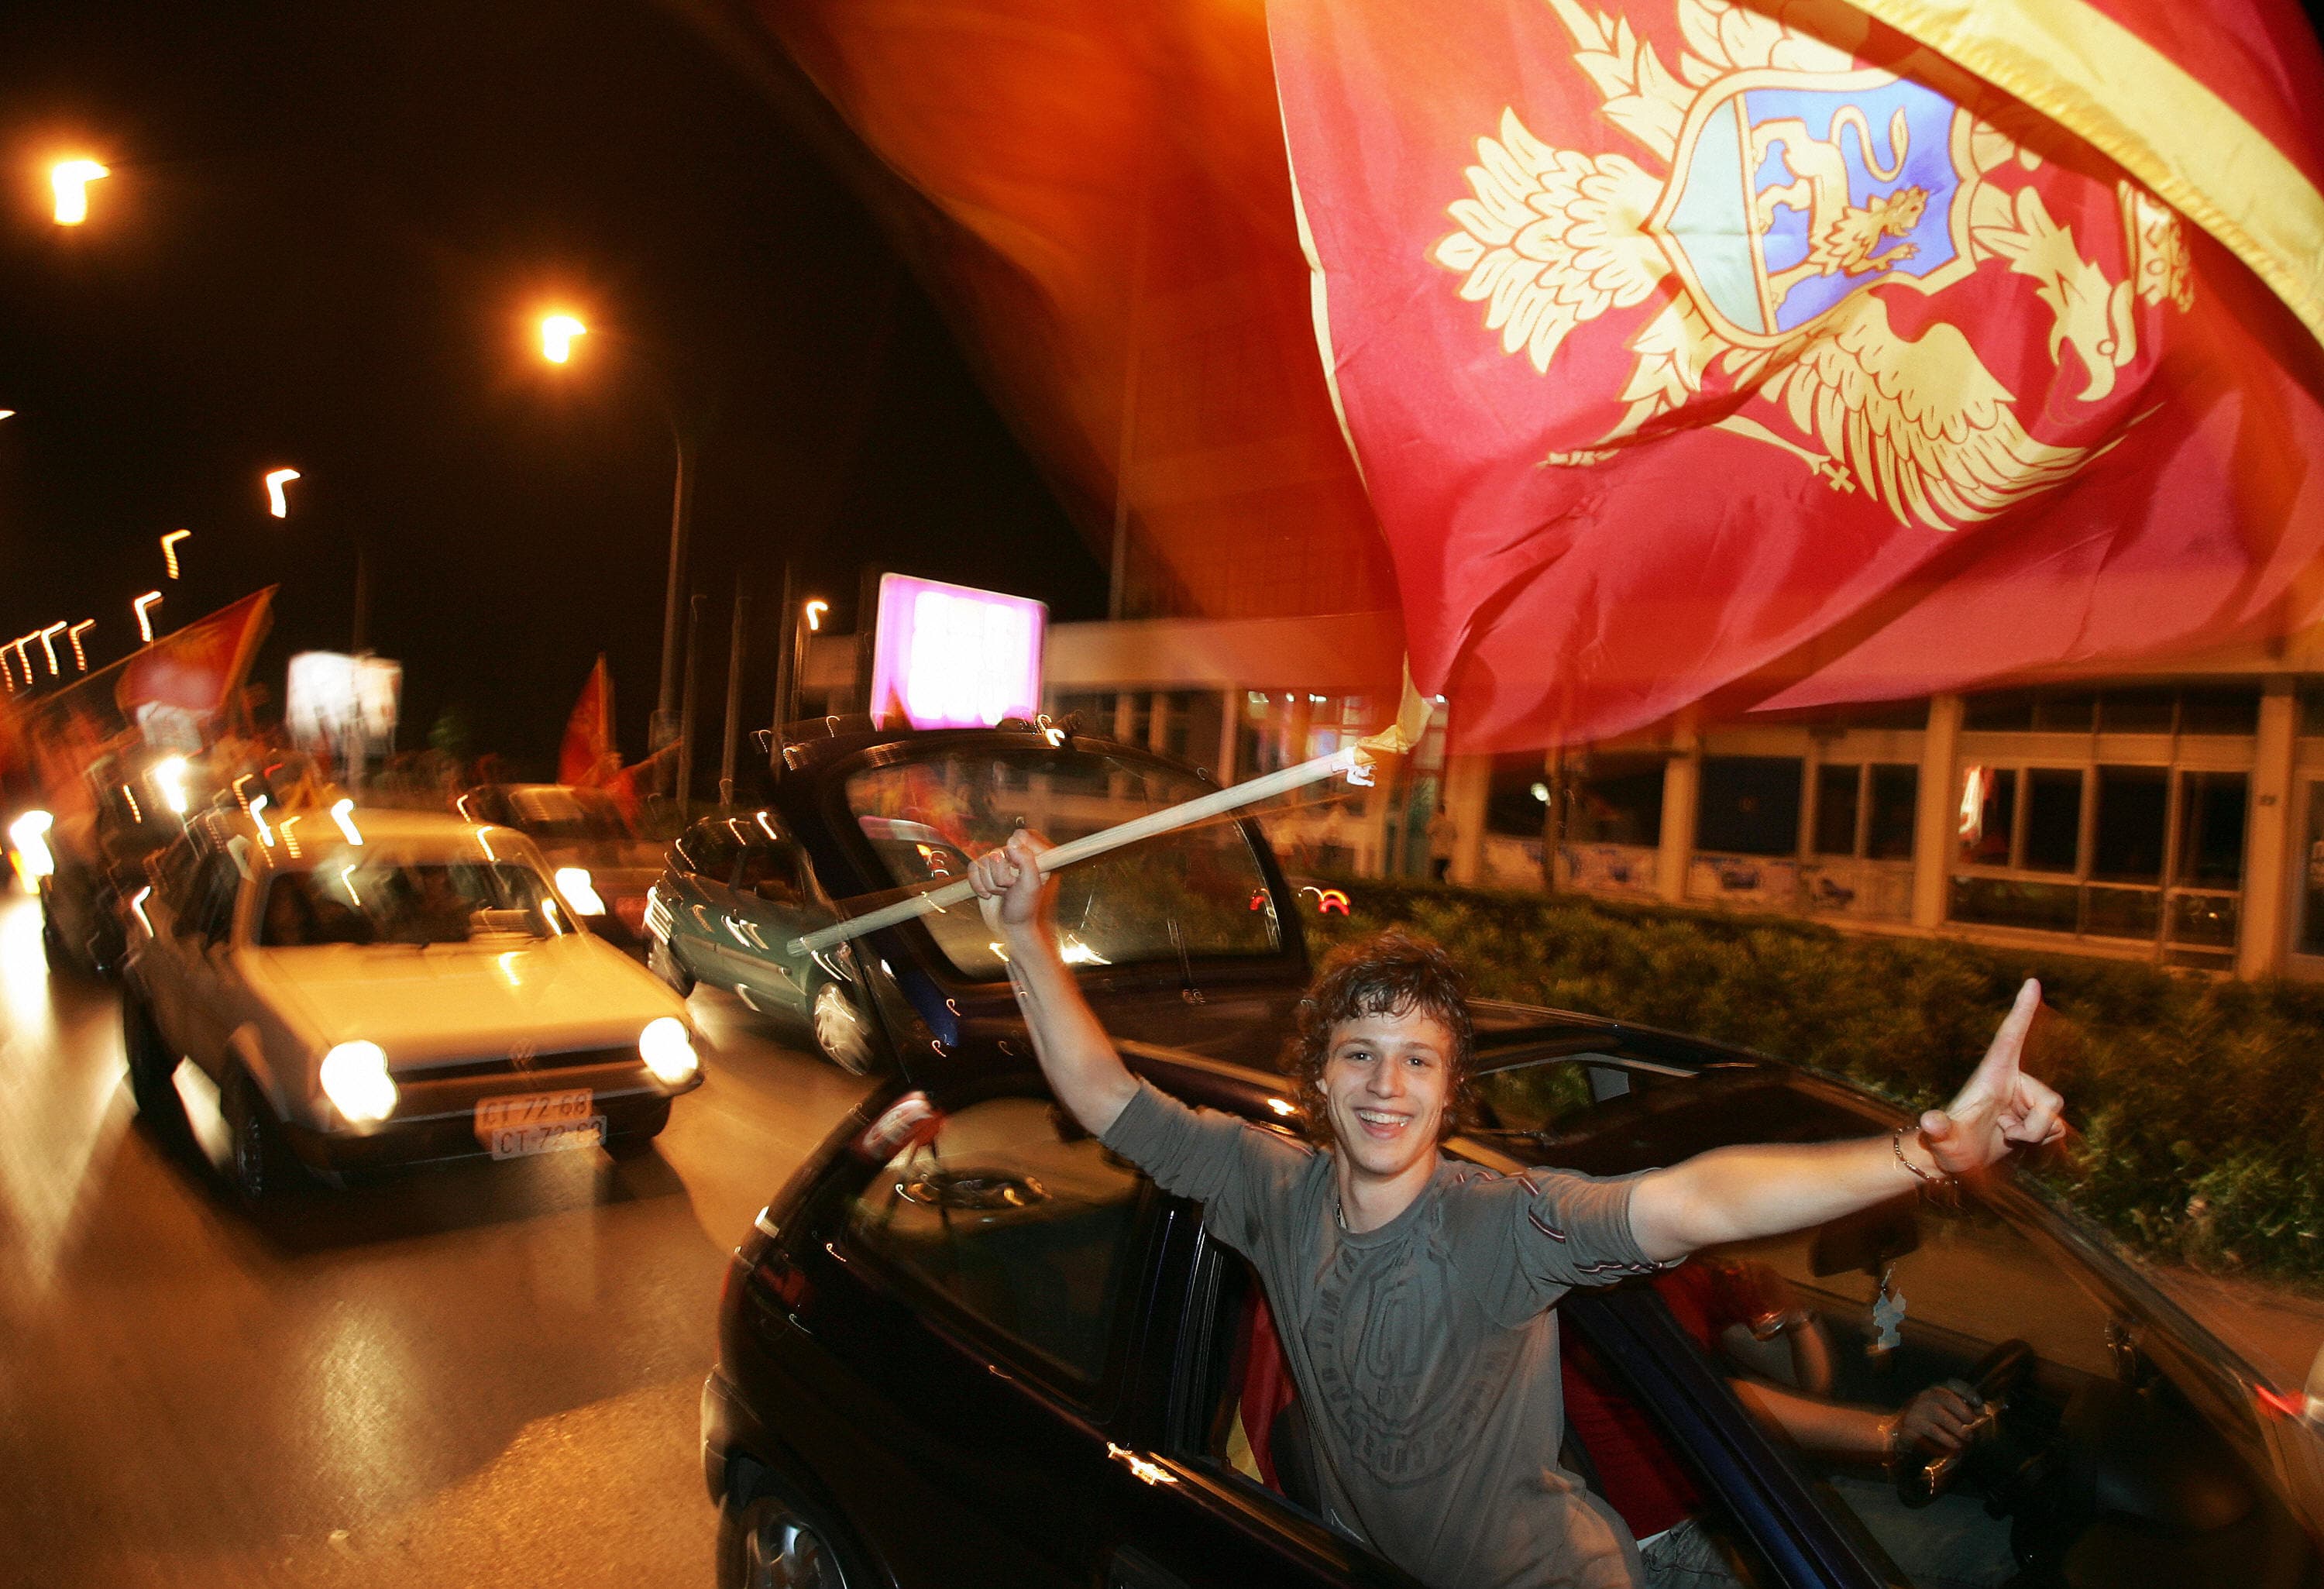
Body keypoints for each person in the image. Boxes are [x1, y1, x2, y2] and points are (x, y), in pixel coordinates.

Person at [968, 829, 2064, 1589]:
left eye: (1417, 1061)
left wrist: (1918, 1155)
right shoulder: (1269, 1185)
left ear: (1453, 1092)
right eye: (1360, 1054)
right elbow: (1108, 1096)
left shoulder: (1499, 1225)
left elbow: (1692, 1201)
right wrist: (1025, 933)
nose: (1386, 1084)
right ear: (1321, 1077)